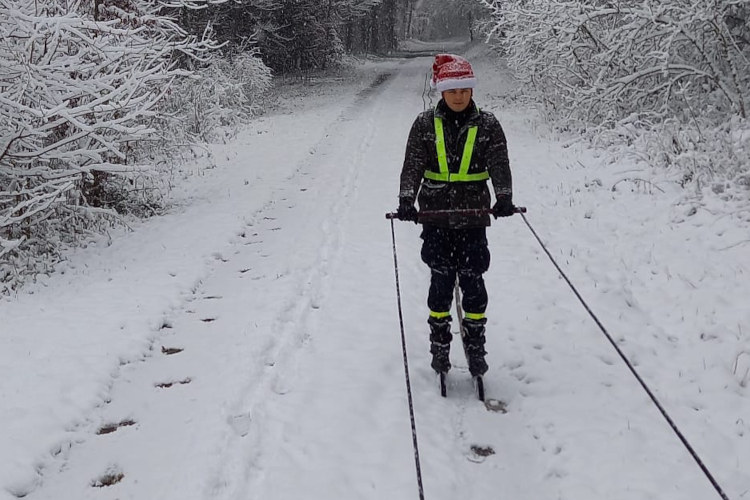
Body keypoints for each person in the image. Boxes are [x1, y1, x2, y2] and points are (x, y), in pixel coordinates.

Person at [396, 54, 515, 377]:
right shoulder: (424, 124)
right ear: (441, 91)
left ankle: (476, 343)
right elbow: (413, 163)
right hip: (435, 215)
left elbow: (499, 162)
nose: (459, 95)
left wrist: (504, 196)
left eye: (464, 89)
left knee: (474, 279)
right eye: (452, 90)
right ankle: (440, 341)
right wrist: (407, 199)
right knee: (441, 279)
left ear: (472, 91)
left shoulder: (488, 124)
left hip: (474, 216)